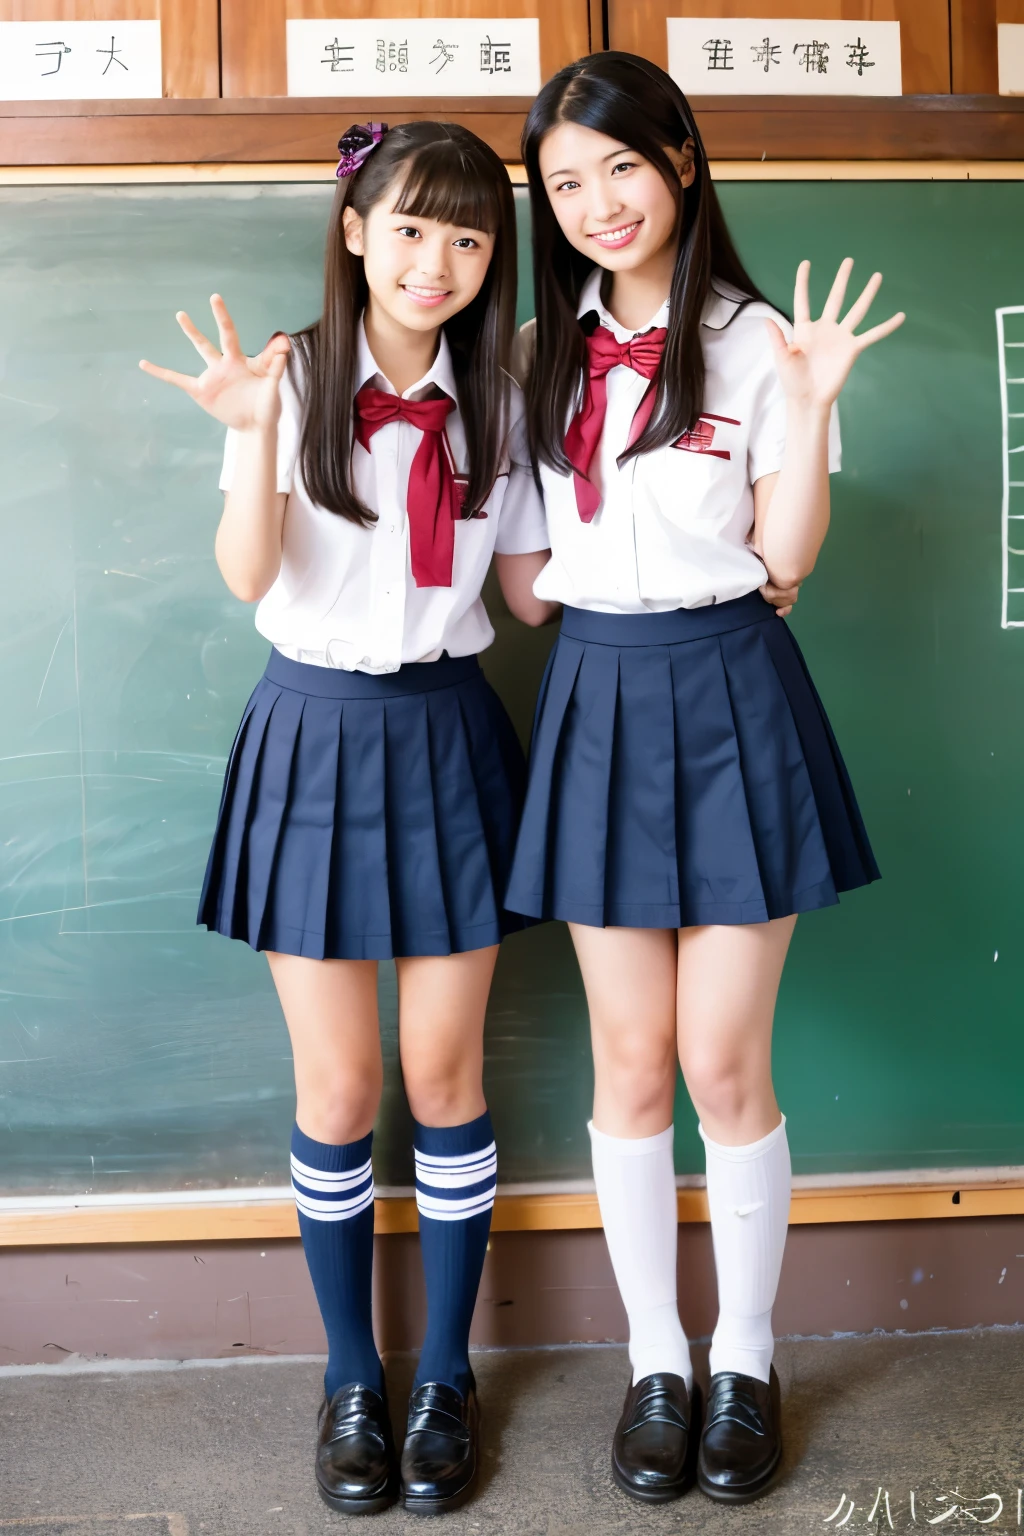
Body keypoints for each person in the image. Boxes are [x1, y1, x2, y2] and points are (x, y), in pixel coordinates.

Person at [506, 53, 904, 1505]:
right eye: (564, 184)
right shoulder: (534, 352)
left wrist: (810, 401)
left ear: (679, 156)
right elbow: (531, 586)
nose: (598, 202)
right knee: (627, 1066)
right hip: (598, 693)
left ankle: (747, 1357)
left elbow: (787, 560)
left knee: (725, 1064)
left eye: (620, 166)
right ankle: (652, 1362)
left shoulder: (761, 342)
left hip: (733, 687)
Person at [139, 120, 552, 1517]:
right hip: (310, 732)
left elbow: (540, 590)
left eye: (471, 236)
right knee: (339, 1092)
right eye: (415, 227)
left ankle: (446, 1375)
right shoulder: (292, 377)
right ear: (358, 230)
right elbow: (247, 569)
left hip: (447, 732)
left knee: (445, 1082)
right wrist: (256, 441)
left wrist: (749, 556)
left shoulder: (506, 396)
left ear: (493, 259)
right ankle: (349, 1378)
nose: (439, 260)